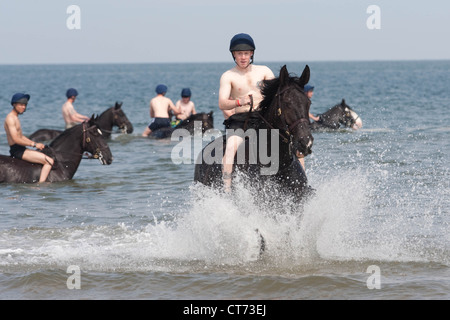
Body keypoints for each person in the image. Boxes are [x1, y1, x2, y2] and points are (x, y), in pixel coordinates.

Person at [218, 33, 275, 192]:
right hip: (240, 120)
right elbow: (222, 103)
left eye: (246, 53)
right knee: (230, 148)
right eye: (239, 54)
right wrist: (239, 101)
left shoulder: (264, 71)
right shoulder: (228, 76)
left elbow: (275, 94)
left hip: (263, 117)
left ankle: (301, 180)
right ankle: (227, 189)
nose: (243, 57)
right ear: (233, 55)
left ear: (252, 54)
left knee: (291, 140)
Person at [4, 93, 54, 183]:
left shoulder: (15, 117)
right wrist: (34, 144)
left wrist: (36, 145)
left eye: (25, 105)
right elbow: (15, 139)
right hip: (17, 151)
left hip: (22, 148)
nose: (24, 107)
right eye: (21, 104)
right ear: (14, 104)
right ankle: (41, 184)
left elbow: (21, 137)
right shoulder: (10, 118)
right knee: (49, 161)